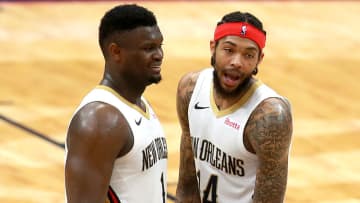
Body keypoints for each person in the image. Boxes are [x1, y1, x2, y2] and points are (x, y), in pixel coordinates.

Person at [176, 11, 293, 203]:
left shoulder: (269, 116)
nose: (237, 62)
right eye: (229, 50)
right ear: (213, 48)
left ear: (259, 60)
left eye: (248, 55)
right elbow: (187, 184)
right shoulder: (190, 89)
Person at [65, 4, 168, 203]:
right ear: (116, 52)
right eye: (148, 48)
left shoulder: (139, 103)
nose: (159, 55)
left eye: (159, 46)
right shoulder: (100, 120)